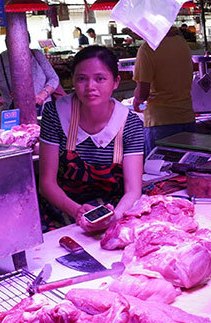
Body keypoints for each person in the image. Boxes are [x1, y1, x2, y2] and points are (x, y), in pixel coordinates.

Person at [39, 45, 144, 232]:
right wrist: (77, 211)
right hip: (62, 211)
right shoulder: (55, 114)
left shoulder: (129, 124)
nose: (90, 87)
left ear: (116, 82)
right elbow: (47, 184)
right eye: (81, 79)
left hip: (112, 211)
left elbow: (133, 190)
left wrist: (114, 217)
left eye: (100, 79)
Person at [133, 27, 196, 155]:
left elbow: (142, 95)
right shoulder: (182, 43)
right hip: (187, 118)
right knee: (185, 167)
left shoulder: (147, 49)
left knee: (160, 171)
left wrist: (137, 101)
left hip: (160, 123)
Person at [0, 37, 61, 110]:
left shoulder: (36, 55)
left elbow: (53, 78)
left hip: (43, 110)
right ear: (7, 43)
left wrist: (43, 93)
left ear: (28, 42)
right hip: (12, 113)